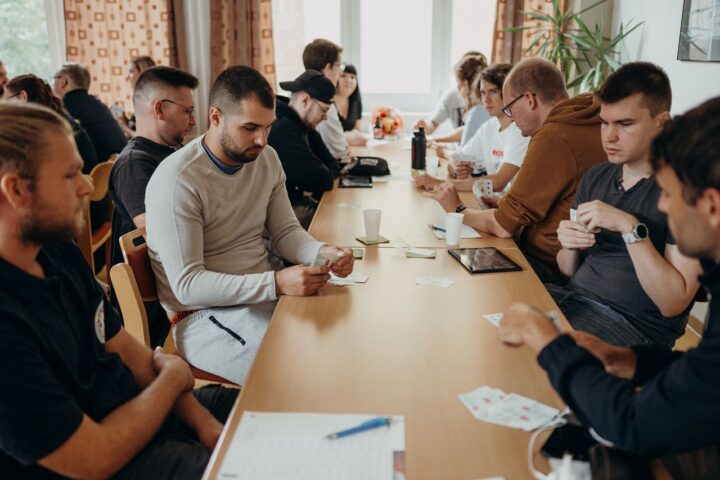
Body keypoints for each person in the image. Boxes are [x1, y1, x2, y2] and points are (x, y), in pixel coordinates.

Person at [0, 102, 238, 479]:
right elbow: (93, 458)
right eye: (70, 175)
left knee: (264, 407)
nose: (86, 186)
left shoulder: (55, 251)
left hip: (145, 413)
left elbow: (124, 349)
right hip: (108, 460)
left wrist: (203, 423)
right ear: (15, 190)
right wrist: (172, 379)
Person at [498, 96, 720, 478]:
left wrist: (549, 342)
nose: (663, 207)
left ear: (711, 206)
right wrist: (631, 361)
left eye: (667, 194)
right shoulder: (598, 177)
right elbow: (707, 375)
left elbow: (636, 424)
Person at [145, 66, 354, 384]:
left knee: (343, 343)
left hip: (265, 297)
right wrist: (276, 283)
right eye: (250, 128)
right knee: (301, 374)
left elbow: (285, 233)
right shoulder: (177, 180)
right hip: (205, 316)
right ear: (216, 117)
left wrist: (321, 252)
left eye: (268, 127)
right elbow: (187, 286)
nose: (262, 140)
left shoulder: (266, 158)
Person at [548, 62, 701, 347]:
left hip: (632, 328)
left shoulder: (686, 190)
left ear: (663, 123)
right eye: (604, 122)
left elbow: (672, 303)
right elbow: (567, 270)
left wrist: (629, 226)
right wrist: (569, 245)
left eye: (625, 124)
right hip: (573, 300)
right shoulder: (596, 176)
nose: (609, 136)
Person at [425, 58, 605, 282]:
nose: (513, 122)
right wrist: (506, 204)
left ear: (529, 99)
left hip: (545, 264)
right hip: (576, 258)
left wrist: (457, 209)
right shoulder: (585, 117)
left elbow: (502, 227)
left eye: (510, 109)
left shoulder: (553, 136)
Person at [108, 66, 199, 347]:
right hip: (158, 302)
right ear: (159, 109)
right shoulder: (136, 164)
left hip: (177, 283)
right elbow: (161, 236)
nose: (193, 121)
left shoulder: (168, 155)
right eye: (187, 111)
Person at [3, 74, 108, 248]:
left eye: (7, 101)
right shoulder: (62, 120)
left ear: (22, 97)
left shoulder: (47, 133)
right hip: (96, 209)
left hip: (85, 215)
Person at [415, 63, 528, 194]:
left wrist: (438, 183)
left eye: (493, 91)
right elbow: (456, 157)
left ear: (509, 92)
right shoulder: (489, 127)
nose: (486, 99)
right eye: (483, 93)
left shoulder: (522, 131)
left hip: (509, 210)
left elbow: (498, 183)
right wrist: (457, 170)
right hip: (491, 203)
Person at [268, 70, 342, 228]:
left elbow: (332, 163)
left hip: (291, 202)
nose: (325, 117)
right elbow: (321, 180)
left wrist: (329, 170)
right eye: (323, 110)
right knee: (337, 221)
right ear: (306, 100)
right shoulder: (284, 129)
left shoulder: (300, 124)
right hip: (276, 214)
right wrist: (329, 171)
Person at [52, 62, 128, 162]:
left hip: (96, 174)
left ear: (63, 82)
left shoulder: (65, 108)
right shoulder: (100, 105)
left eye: (54, 78)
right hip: (120, 166)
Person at [414, 50, 489, 138]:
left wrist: (435, 140)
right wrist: (424, 128)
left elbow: (467, 132)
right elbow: (433, 124)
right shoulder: (451, 96)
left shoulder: (486, 103)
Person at [303, 38, 352, 161]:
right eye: (339, 67)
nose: (340, 73)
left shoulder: (298, 92)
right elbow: (340, 152)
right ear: (327, 68)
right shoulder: (322, 100)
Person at [115, 55, 157, 137]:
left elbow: (145, 139)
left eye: (131, 71)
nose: (127, 77)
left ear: (142, 73)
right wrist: (125, 120)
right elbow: (137, 129)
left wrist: (124, 127)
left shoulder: (150, 101)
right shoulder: (142, 98)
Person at [334, 62, 367, 146]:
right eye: (343, 76)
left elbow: (357, 131)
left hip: (350, 149)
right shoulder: (328, 102)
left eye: (352, 77)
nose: (348, 80)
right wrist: (347, 138)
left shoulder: (356, 102)